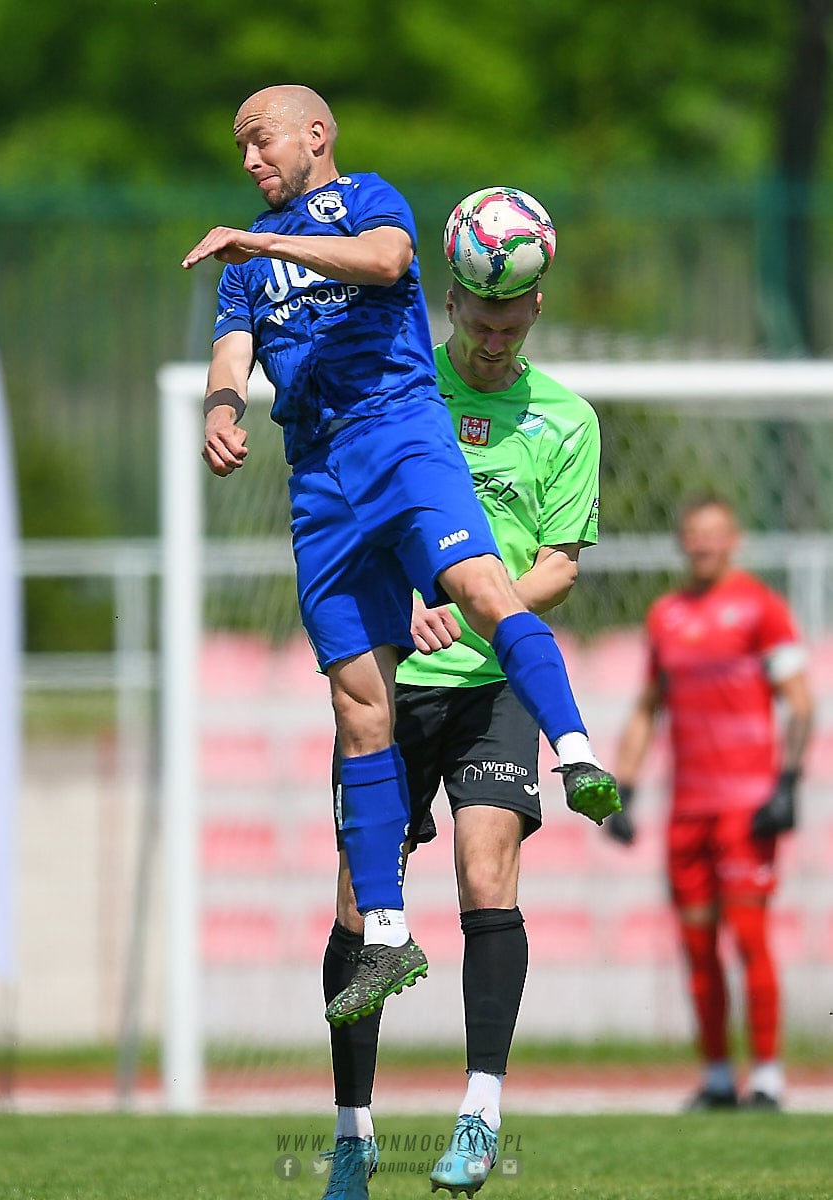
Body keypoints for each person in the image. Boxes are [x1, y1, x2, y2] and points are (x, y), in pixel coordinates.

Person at [182, 83, 619, 1032]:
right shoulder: (242, 268)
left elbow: (386, 261)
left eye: (261, 141)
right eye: (240, 149)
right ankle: (385, 931)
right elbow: (231, 353)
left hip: (397, 432)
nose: (249, 160)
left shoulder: (365, 199)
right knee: (356, 703)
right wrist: (220, 409)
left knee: (479, 585)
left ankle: (577, 750)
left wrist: (265, 243)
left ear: (315, 134)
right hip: (317, 473)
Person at [320, 272, 603, 1199]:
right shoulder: (400, 396)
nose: (494, 342)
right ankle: (353, 1136)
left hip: (493, 687)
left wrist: (482, 604)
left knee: (487, 872)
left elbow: (560, 564)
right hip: (391, 688)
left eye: (510, 327)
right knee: (360, 908)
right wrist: (403, 602)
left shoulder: (568, 420)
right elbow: (351, 533)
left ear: (537, 310)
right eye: (482, 324)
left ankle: (480, 1112)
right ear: (451, 304)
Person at [607, 496, 814, 1112]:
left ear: (734, 540)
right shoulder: (666, 616)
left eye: (714, 534)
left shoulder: (761, 608)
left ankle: (768, 1076)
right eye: (694, 534)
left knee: (748, 936)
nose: (703, 545)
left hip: (745, 806)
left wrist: (787, 783)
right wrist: (626, 788)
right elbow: (648, 707)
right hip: (687, 809)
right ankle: (719, 1075)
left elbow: (801, 702)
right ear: (682, 541)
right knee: (697, 944)